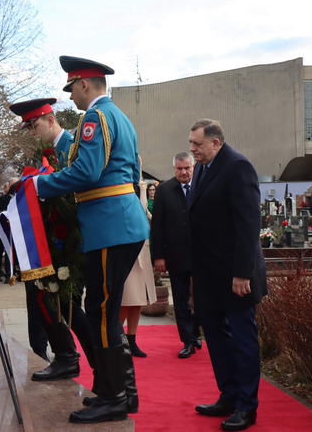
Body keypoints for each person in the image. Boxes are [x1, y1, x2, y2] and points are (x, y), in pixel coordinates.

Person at [34, 56, 149, 424]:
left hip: (109, 226)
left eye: (72, 89)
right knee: (105, 310)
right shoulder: (118, 116)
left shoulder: (95, 118)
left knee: (101, 312)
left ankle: (114, 397)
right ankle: (120, 391)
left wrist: (39, 184)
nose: (71, 97)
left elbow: (86, 172)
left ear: (84, 84)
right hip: (117, 223)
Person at [8, 97, 96, 382]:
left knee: (69, 304)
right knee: (48, 299)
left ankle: (98, 363)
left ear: (50, 119)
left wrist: (38, 187)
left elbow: (78, 185)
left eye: (34, 126)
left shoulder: (72, 146)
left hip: (73, 238)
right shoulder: (46, 152)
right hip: (51, 238)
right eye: (29, 129)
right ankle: (66, 356)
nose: (33, 133)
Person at [188, 119, 267, 431]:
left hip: (235, 275)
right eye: (191, 143)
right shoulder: (202, 168)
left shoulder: (237, 167)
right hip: (208, 274)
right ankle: (229, 395)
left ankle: (247, 406)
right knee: (217, 338)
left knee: (242, 339)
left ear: (215, 142)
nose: (192, 149)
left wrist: (242, 273)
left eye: (197, 144)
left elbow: (248, 223)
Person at [151, 152, 201, 359]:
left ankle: (195, 331)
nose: (184, 172)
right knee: (180, 300)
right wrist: (158, 256)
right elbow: (157, 226)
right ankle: (187, 340)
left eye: (187, 168)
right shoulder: (164, 190)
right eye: (179, 169)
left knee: (202, 298)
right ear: (174, 169)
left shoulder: (202, 186)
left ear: (193, 167)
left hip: (202, 255)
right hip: (176, 255)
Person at [119, 180, 157, 358]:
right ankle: (116, 338)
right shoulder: (120, 188)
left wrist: (142, 189)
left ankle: (132, 339)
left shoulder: (140, 187)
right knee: (127, 299)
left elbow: (145, 213)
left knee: (139, 300)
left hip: (143, 249)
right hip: (125, 251)